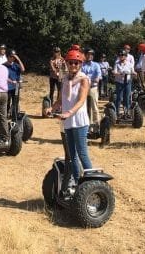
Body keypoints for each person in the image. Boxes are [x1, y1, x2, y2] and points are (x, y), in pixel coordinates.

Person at [51, 48, 92, 186]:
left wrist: (69, 112)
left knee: (82, 153)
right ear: (66, 64)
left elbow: (81, 101)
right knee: (72, 155)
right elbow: (61, 99)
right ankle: (77, 180)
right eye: (70, 62)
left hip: (79, 121)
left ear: (80, 64)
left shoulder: (84, 80)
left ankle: (91, 182)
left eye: (76, 63)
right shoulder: (65, 80)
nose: (73, 65)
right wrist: (52, 108)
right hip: (68, 122)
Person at [81, 48, 101, 130]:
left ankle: (96, 125)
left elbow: (98, 75)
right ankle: (84, 124)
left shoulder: (96, 65)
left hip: (93, 87)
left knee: (94, 107)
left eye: (91, 54)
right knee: (82, 106)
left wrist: (97, 78)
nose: (89, 56)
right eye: (88, 54)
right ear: (85, 55)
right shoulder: (81, 65)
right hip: (83, 88)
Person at [113, 46, 135, 116]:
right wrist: (119, 73)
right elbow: (114, 72)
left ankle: (127, 111)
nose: (121, 56)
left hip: (127, 82)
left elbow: (133, 71)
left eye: (122, 55)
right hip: (119, 82)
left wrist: (134, 73)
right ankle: (117, 112)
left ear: (125, 56)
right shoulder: (117, 64)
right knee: (119, 97)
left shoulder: (129, 64)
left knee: (127, 97)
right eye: (120, 55)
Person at [4, 50, 25, 120]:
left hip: (15, 87)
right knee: (7, 102)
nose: (12, 58)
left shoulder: (16, 65)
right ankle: (5, 117)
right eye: (11, 57)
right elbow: (3, 76)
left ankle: (14, 117)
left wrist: (18, 59)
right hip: (7, 87)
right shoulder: (3, 65)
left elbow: (23, 69)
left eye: (13, 57)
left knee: (15, 103)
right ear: (7, 57)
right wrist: (11, 81)